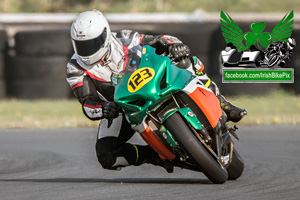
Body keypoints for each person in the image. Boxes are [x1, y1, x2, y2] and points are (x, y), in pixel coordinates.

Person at [66, 10, 247, 173]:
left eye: (92, 44)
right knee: (106, 155)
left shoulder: (123, 38)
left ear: (105, 35)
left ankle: (221, 102)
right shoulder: (75, 67)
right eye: (81, 45)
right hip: (123, 107)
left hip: (154, 80)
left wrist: (172, 46)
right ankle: (154, 156)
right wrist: (104, 108)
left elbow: (157, 40)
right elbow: (87, 102)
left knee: (184, 58)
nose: (87, 51)